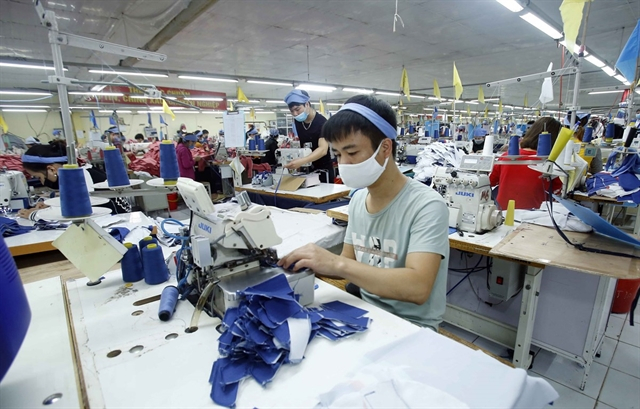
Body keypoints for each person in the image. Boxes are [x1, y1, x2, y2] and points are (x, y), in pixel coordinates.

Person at [277, 95, 449, 331]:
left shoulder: (427, 205)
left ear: (385, 147)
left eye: (352, 152)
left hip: (413, 327)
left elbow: (417, 288)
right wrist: (310, 263)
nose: (344, 163)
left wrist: (335, 263)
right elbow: (349, 262)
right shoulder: (358, 200)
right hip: (368, 312)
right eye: (337, 155)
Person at [18, 141, 125, 219]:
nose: (41, 182)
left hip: (112, 228)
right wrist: (52, 205)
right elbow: (79, 202)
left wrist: (35, 215)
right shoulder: (84, 170)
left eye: (39, 177)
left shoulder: (81, 178)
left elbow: (79, 214)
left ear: (51, 169)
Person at [490, 117, 563, 210]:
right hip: (533, 217)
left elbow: (490, 182)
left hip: (502, 214)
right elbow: (556, 194)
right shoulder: (550, 163)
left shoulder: (505, 157)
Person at [284, 90, 335, 183]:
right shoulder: (298, 122)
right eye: (292, 111)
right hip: (307, 169)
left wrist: (302, 161)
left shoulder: (322, 122)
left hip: (323, 171)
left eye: (297, 109)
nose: (295, 114)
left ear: (307, 104)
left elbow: (323, 149)